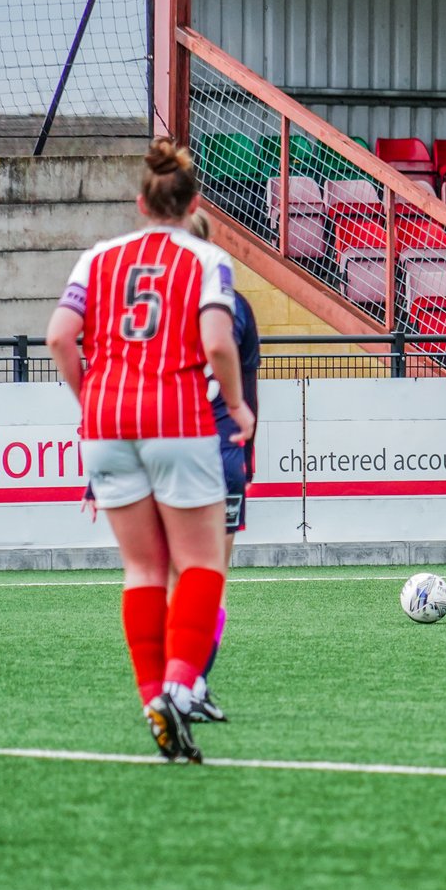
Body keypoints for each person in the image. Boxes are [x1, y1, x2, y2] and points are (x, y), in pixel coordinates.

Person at [46, 138, 255, 762]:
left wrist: (92, 399)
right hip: (177, 416)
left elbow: (61, 336)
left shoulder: (97, 258)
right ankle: (176, 684)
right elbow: (217, 345)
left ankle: (149, 697)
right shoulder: (207, 259)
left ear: (141, 202)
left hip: (106, 418)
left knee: (140, 569)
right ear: (193, 202)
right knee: (199, 565)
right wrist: (239, 406)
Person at [186, 208, 261, 723]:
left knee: (167, 575)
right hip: (219, 450)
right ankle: (189, 682)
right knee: (209, 578)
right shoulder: (233, 306)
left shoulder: (147, 308)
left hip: (158, 451)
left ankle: (173, 683)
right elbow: (244, 380)